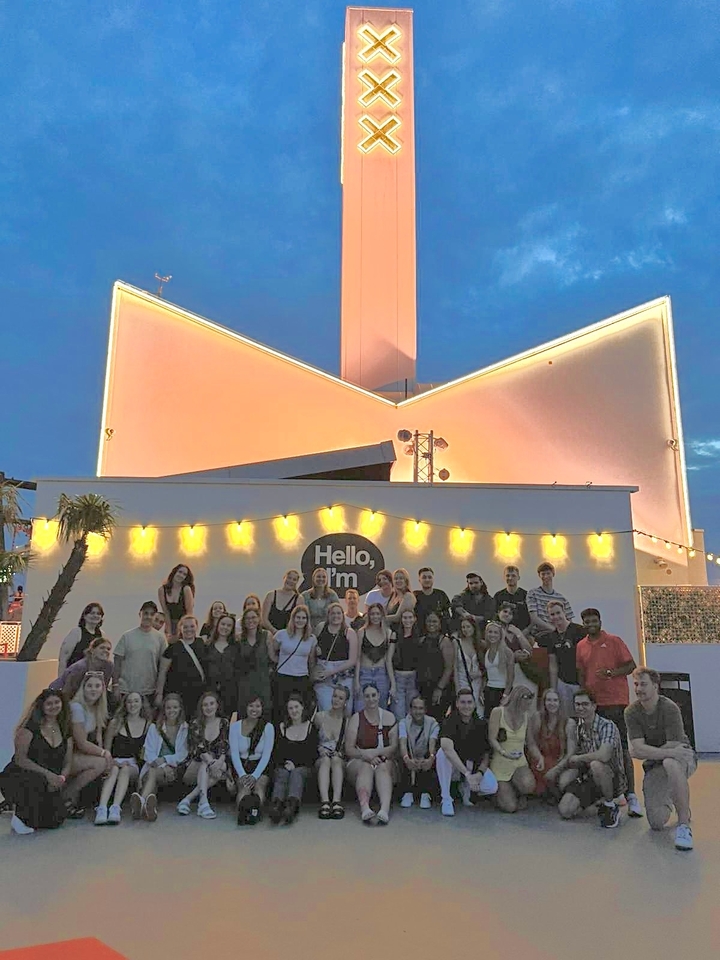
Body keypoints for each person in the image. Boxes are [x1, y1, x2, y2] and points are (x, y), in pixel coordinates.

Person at [576, 608, 641, 817]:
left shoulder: (614, 641)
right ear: (583, 624)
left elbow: (631, 665)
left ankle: (632, 796)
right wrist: (583, 699)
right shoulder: (581, 646)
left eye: (594, 620)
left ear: (600, 621)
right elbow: (581, 674)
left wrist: (612, 673)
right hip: (594, 706)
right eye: (587, 621)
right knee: (597, 751)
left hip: (615, 702)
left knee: (620, 748)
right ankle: (610, 795)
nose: (591, 624)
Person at [625, 668, 697, 850]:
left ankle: (683, 825)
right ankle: (678, 799)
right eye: (636, 684)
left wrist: (646, 752)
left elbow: (673, 746)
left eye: (643, 684)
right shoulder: (631, 712)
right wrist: (647, 752)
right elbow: (637, 749)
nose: (639, 689)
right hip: (657, 763)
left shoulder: (670, 708)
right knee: (656, 823)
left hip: (682, 756)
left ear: (655, 686)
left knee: (670, 763)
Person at [0, 690, 73, 835]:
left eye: (57, 702)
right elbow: (20, 759)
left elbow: (68, 761)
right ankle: (19, 816)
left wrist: (61, 778)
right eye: (49, 704)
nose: (53, 706)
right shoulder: (29, 728)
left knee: (54, 821)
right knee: (37, 780)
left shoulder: (65, 728)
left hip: (49, 779)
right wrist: (49, 776)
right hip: (22, 776)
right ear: (42, 706)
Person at [558, 688, 627, 829]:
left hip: (612, 776)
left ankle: (610, 804)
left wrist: (579, 758)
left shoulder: (607, 726)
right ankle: (596, 801)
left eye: (585, 704)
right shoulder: (578, 727)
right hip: (589, 776)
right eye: (577, 704)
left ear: (594, 706)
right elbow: (570, 754)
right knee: (565, 810)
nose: (581, 708)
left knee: (597, 765)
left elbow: (604, 755)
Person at [436, 689, 497, 816]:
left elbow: (486, 753)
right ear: (457, 704)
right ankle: (446, 799)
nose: (466, 706)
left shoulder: (481, 723)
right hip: (454, 767)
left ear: (474, 704)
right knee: (442, 754)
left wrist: (479, 774)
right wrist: (467, 774)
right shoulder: (449, 720)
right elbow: (446, 747)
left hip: (471, 765)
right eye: (463, 702)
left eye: (469, 702)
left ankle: (465, 787)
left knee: (491, 787)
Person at [345, 683, 398, 824]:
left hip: (384, 761)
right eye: (367, 696)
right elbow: (349, 749)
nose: (371, 699)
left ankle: (384, 809)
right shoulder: (356, 718)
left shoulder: (389, 717)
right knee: (365, 767)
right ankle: (365, 808)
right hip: (360, 761)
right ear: (363, 698)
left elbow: (393, 747)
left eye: (374, 695)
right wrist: (365, 756)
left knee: (382, 768)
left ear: (379, 696)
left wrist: (374, 753)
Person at [94, 692, 150, 825]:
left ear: (142, 704)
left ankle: (115, 808)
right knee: (114, 770)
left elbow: (146, 753)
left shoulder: (148, 725)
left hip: (133, 765)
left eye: (136, 701)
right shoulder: (116, 723)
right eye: (129, 701)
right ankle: (102, 808)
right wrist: (112, 761)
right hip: (114, 761)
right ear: (125, 704)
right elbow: (107, 750)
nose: (133, 704)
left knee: (125, 769)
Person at [64, 673, 114, 816]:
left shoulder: (96, 708)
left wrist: (104, 751)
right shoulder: (77, 708)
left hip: (80, 754)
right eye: (89, 686)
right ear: (83, 688)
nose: (93, 689)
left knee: (105, 763)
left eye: (97, 686)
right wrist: (105, 753)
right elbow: (81, 743)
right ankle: (66, 796)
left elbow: (98, 738)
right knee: (100, 763)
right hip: (67, 755)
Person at [134, 693, 188, 822]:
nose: (172, 711)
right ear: (164, 710)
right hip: (155, 767)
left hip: (174, 769)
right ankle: (147, 806)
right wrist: (163, 766)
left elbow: (182, 754)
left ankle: (141, 802)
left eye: (175, 707)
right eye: (168, 708)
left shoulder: (185, 728)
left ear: (180, 709)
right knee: (152, 774)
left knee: (152, 774)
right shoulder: (154, 727)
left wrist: (164, 760)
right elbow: (148, 753)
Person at [176, 692, 230, 819]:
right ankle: (203, 801)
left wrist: (219, 762)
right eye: (205, 705)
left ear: (217, 705)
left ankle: (189, 799)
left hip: (215, 765)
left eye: (212, 704)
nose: (209, 707)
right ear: (201, 707)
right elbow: (200, 750)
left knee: (221, 767)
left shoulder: (224, 722)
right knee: (206, 763)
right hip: (193, 767)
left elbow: (224, 747)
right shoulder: (195, 724)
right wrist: (213, 763)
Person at [268, 694, 318, 825]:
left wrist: (295, 764)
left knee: (297, 773)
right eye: (290, 708)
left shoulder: (310, 728)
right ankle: (276, 805)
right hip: (285, 766)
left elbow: (312, 755)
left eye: (296, 707)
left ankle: (292, 806)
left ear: (302, 708)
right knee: (282, 773)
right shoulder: (281, 728)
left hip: (305, 768)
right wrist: (286, 764)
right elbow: (276, 753)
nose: (294, 711)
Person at [489, 685, 536, 813]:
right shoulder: (498, 712)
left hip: (519, 761)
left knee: (529, 785)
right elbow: (492, 739)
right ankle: (499, 793)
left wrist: (539, 757)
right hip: (501, 762)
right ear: (518, 700)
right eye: (526, 703)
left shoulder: (526, 716)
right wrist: (503, 752)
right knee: (510, 808)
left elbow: (531, 742)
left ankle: (517, 790)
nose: (528, 707)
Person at [229, 695, 275, 826]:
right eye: (251, 706)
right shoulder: (235, 727)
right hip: (242, 765)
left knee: (259, 786)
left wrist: (255, 776)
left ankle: (255, 811)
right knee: (244, 788)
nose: (254, 709)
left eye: (258, 706)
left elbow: (267, 755)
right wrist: (242, 775)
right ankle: (243, 812)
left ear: (262, 709)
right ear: (245, 708)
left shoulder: (268, 727)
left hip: (261, 765)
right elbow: (234, 753)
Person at [527, 688, 578, 801]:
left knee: (559, 781)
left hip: (561, 761)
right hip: (540, 759)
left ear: (560, 703)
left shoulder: (569, 723)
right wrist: (539, 757)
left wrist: (557, 769)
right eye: (548, 700)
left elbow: (571, 753)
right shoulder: (537, 717)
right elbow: (531, 743)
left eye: (555, 700)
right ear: (544, 702)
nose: (552, 703)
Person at [155, 615, 208, 719]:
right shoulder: (173, 648)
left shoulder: (202, 644)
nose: (189, 629)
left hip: (198, 693)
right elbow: (162, 672)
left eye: (192, 626)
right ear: (180, 628)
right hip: (177, 694)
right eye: (185, 627)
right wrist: (159, 694)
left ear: (196, 627)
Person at [270, 604, 317, 718]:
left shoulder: (311, 638)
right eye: (298, 617)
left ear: (307, 620)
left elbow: (311, 661)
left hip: (301, 678)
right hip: (283, 677)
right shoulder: (281, 634)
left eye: (303, 618)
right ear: (293, 618)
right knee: (280, 710)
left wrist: (312, 677)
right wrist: (277, 660)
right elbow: (272, 651)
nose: (300, 620)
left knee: (301, 711)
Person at [113, 601, 166, 702]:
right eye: (146, 613)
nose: (148, 617)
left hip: (148, 692)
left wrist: (159, 692)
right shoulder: (127, 636)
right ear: (140, 614)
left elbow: (163, 668)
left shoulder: (160, 638)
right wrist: (115, 685)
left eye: (152, 614)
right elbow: (117, 662)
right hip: (125, 690)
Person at [542, 601, 586, 716]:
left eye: (558, 613)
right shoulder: (551, 637)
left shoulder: (579, 631)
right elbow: (553, 664)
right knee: (566, 717)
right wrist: (553, 688)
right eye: (552, 614)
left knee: (582, 714)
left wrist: (585, 684)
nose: (556, 617)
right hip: (563, 682)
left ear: (564, 612)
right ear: (549, 617)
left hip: (580, 682)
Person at [313, 602, 358, 712]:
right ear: (328, 615)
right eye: (332, 613)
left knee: (345, 711)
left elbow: (352, 660)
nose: (336, 616)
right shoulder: (321, 628)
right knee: (326, 709)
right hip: (323, 676)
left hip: (343, 676)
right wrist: (315, 649)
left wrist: (332, 671)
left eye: (338, 613)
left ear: (343, 615)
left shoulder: (349, 632)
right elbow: (312, 644)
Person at [314, 686, 350, 819]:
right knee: (325, 761)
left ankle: (336, 801)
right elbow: (311, 741)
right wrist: (320, 750)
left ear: (345, 702)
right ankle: (324, 802)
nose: (336, 700)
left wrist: (340, 754)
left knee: (335, 760)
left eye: (341, 698)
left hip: (338, 758)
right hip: (321, 757)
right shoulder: (319, 717)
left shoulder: (348, 721)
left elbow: (350, 746)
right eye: (335, 696)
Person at [398, 695, 439, 809]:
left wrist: (430, 758)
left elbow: (432, 742)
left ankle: (425, 793)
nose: (418, 711)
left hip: (424, 754)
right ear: (410, 709)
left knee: (431, 758)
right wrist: (407, 759)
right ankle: (407, 792)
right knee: (402, 754)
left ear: (425, 710)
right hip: (410, 754)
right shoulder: (403, 723)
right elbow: (402, 741)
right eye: (415, 708)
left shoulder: (433, 723)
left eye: (421, 708)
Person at [354, 603, 396, 712]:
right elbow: (357, 658)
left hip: (381, 674)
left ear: (382, 615)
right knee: (360, 708)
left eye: (378, 614)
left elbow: (388, 660)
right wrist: (356, 681)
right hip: (364, 673)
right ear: (368, 615)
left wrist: (393, 683)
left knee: (381, 709)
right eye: (372, 614)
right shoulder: (361, 632)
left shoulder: (388, 633)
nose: (375, 617)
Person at [415, 611, 454, 721]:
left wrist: (439, 688)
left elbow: (449, 668)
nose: (431, 624)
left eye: (434, 621)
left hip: (439, 688)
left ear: (440, 623)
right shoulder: (421, 640)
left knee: (436, 720)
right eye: (429, 621)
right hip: (422, 688)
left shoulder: (444, 641)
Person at [50, 635, 114, 702]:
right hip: (58, 693)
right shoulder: (80, 667)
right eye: (102, 648)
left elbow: (103, 689)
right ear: (92, 650)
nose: (106, 651)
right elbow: (67, 691)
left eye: (108, 649)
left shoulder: (109, 666)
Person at [235, 608, 273, 719]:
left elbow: (273, 657)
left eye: (253, 617)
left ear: (258, 619)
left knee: (264, 713)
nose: (250, 620)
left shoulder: (267, 636)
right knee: (244, 713)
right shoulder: (239, 638)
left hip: (263, 681)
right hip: (245, 682)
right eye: (247, 618)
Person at [496, 602, 537, 694]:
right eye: (505, 611)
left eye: (510, 614)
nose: (507, 615)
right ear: (498, 613)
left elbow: (529, 651)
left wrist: (518, 633)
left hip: (521, 670)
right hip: (503, 671)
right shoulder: (494, 630)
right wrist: (513, 656)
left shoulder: (515, 630)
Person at [203, 614, 238, 718]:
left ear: (232, 629)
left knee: (226, 722)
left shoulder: (236, 646)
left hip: (229, 693)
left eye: (229, 625)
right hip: (210, 691)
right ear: (218, 625)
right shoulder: (207, 645)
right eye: (223, 624)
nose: (225, 627)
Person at [57, 602, 106, 673]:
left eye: (98, 614)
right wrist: (61, 681)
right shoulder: (76, 632)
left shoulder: (102, 635)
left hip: (93, 678)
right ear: (85, 616)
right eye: (92, 613)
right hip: (74, 675)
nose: (95, 615)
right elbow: (63, 659)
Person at [526, 562, 573, 635]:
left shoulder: (562, 598)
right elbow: (534, 618)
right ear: (539, 575)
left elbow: (569, 620)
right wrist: (554, 630)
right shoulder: (533, 593)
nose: (546, 576)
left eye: (548, 573)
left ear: (553, 573)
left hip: (561, 634)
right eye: (543, 574)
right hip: (541, 633)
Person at [391, 609, 421, 720]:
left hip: (413, 677)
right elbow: (389, 659)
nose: (407, 620)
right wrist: (393, 683)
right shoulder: (395, 635)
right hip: (399, 676)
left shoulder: (419, 637)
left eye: (410, 617)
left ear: (414, 619)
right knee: (398, 713)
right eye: (405, 617)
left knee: (411, 712)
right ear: (401, 619)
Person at [451, 616, 484, 714]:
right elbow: (455, 668)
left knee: (479, 712)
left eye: (468, 627)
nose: (465, 629)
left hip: (478, 683)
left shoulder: (480, 643)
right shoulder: (457, 643)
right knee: (464, 711)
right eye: (463, 627)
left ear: (474, 627)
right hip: (462, 682)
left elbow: (487, 666)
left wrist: (480, 674)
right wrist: (457, 689)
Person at [482, 621, 514, 715]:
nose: (492, 635)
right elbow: (486, 674)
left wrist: (505, 696)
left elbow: (511, 677)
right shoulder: (486, 650)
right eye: (490, 632)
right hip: (489, 690)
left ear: (500, 635)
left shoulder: (507, 652)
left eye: (496, 632)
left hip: (502, 690)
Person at [158, 564, 195, 638]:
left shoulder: (186, 589)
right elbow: (166, 612)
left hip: (184, 626)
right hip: (170, 623)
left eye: (184, 574)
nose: (181, 575)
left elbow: (189, 613)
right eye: (180, 572)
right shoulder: (162, 590)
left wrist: (183, 630)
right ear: (174, 572)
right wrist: (169, 630)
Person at [301, 568, 340, 634]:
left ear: (327, 579)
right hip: (309, 631)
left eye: (324, 577)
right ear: (313, 578)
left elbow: (338, 614)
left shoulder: (332, 595)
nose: (321, 579)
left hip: (327, 632)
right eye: (318, 577)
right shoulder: (305, 595)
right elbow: (302, 614)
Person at [493, 565, 531, 633]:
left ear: (518, 577)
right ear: (504, 577)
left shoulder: (526, 595)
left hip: (523, 633)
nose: (510, 578)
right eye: (507, 575)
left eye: (513, 576)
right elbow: (494, 616)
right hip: (503, 633)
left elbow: (532, 617)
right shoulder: (498, 596)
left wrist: (524, 632)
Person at [413, 566, 451, 634]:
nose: (427, 580)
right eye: (424, 577)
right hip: (420, 636)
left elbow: (447, 617)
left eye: (429, 577)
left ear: (433, 579)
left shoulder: (441, 595)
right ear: (419, 580)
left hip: (439, 636)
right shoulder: (415, 596)